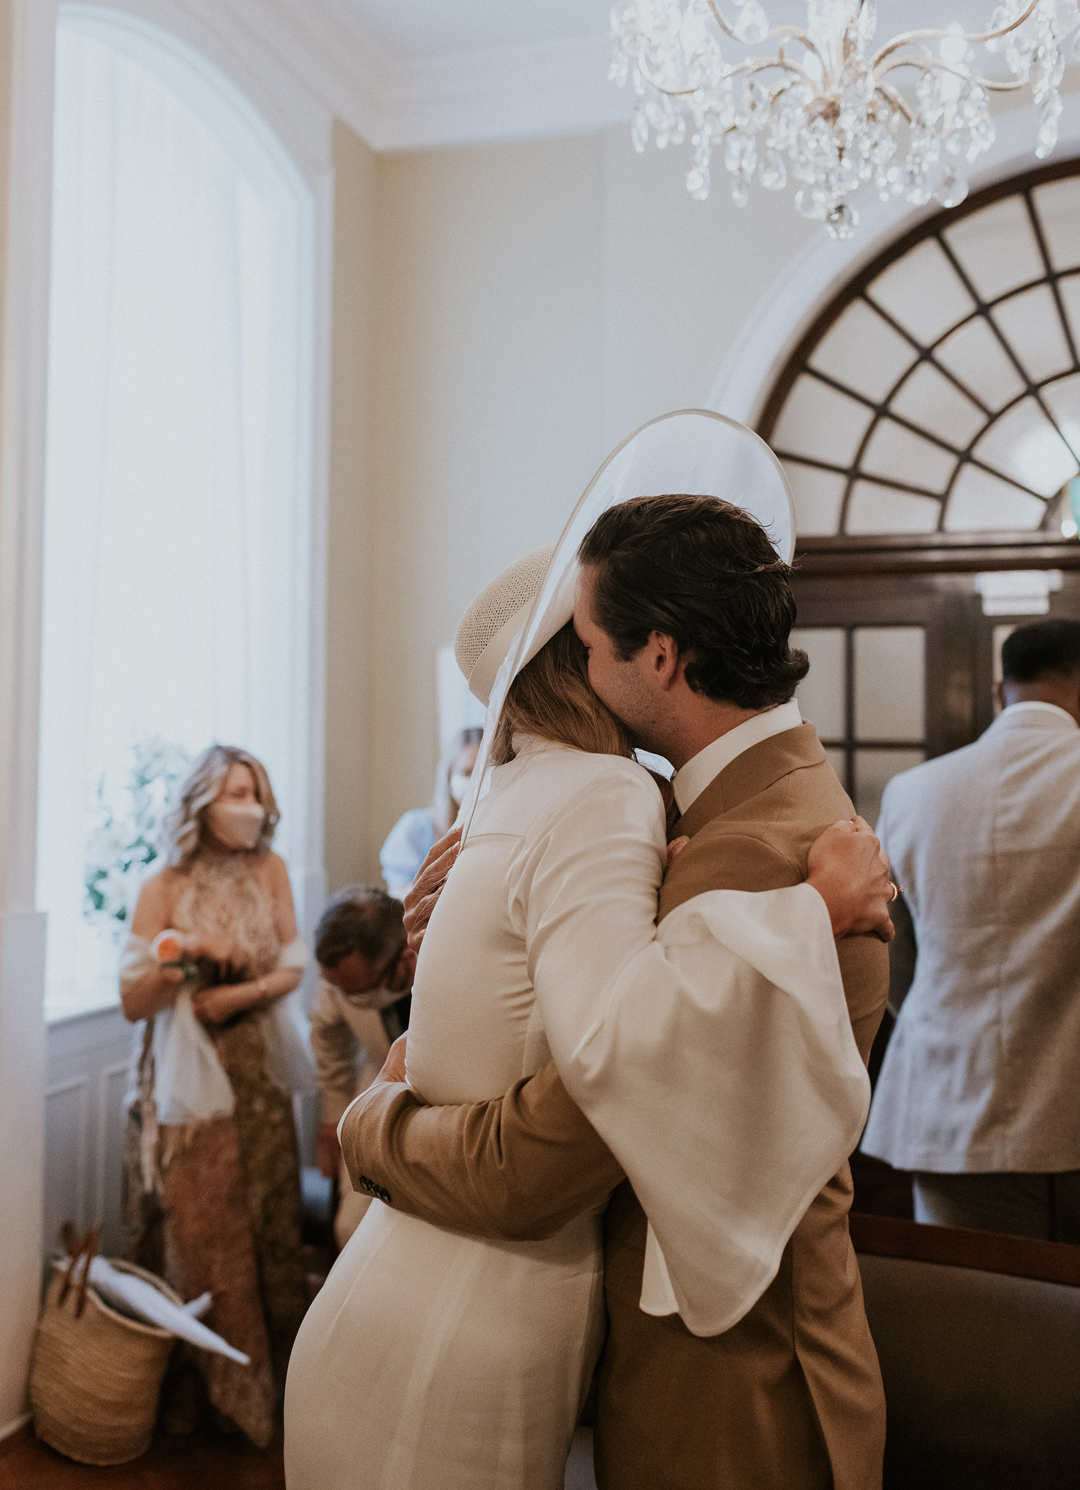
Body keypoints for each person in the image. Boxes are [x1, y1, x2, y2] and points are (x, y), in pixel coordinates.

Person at [285, 415, 892, 1490]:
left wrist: (370, 1125)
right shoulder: (678, 810)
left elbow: (557, 1145)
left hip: (732, 1380)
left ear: (658, 654)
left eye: (593, 636)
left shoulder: (750, 846)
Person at [863, 618, 1080, 1243]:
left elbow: (890, 953)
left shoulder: (913, 792)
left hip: (952, 1110)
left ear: (996, 691)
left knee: (980, 1326)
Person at [120, 744, 312, 1447]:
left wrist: (243, 990)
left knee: (267, 1220)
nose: (249, 806)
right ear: (202, 801)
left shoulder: (272, 868)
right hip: (183, 1085)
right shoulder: (163, 883)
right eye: (235, 792)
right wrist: (181, 953)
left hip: (256, 1074)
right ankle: (191, 1398)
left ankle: (278, 1390)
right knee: (195, 1227)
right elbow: (132, 1001)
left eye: (255, 792)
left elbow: (293, 962)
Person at [310, 886, 415, 1248]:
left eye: (357, 992)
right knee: (351, 1226)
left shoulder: (445, 958)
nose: (347, 999)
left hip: (452, 1094)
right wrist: (333, 1116)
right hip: (378, 1075)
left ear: (405, 959)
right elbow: (329, 1041)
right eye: (336, 988)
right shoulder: (341, 983)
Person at [380, 726, 483, 897]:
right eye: (466, 772)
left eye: (482, 774)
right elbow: (399, 893)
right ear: (449, 774)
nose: (475, 782)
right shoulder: (415, 827)